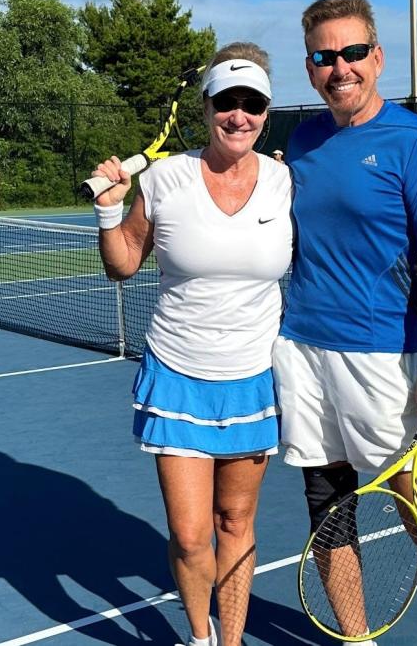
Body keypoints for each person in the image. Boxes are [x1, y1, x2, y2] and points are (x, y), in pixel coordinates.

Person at [277, 0, 417, 646]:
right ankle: (357, 640)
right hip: (302, 355)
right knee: (328, 514)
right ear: (310, 67)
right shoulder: (302, 138)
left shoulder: (416, 142)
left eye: (353, 52)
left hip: (384, 362)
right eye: (324, 56)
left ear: (378, 57)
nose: (341, 67)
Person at [90, 42, 291, 646]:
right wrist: (108, 210)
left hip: (253, 378)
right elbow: (124, 262)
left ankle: (229, 642)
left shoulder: (285, 181)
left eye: (251, 103)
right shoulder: (165, 179)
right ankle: (200, 639)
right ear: (206, 109)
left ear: (265, 111)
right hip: (177, 373)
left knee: (236, 522)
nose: (239, 115)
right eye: (227, 102)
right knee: (189, 533)